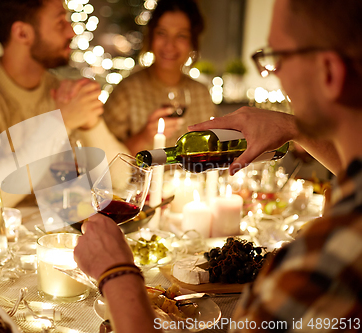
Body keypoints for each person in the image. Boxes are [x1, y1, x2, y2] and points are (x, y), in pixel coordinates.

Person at [75, 0, 362, 331]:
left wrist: (117, 274)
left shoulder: (318, 267)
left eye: (278, 57)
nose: (274, 73)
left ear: (329, 71)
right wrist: (292, 125)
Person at [0, 0, 128, 208]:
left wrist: (90, 123)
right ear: (22, 33)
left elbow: (123, 180)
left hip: (56, 228)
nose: (71, 32)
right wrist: (61, 123)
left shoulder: (57, 89)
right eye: (59, 22)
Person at [102, 0, 216, 153]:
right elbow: (103, 159)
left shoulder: (201, 94)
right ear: (151, 36)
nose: (170, 45)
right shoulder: (127, 91)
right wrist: (144, 137)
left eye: (181, 36)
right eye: (162, 33)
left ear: (192, 42)